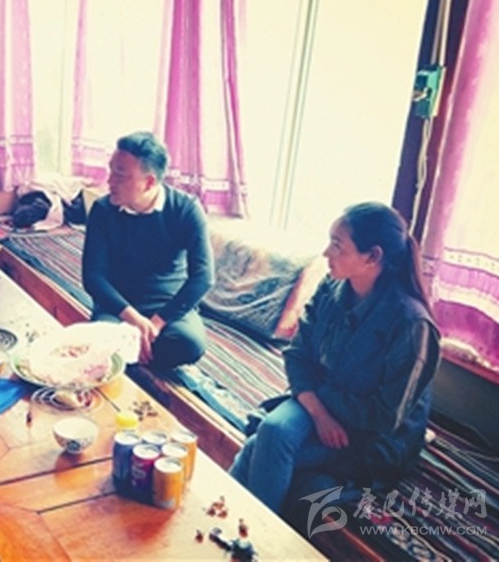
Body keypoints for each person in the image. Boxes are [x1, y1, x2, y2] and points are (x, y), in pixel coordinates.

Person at [230, 202, 441, 516]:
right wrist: (319, 413)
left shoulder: (411, 325)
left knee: (258, 448)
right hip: (318, 403)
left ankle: (246, 533)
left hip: (369, 435)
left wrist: (322, 399)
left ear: (373, 257)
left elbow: (385, 416)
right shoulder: (331, 288)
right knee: (272, 431)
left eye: (337, 245)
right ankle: (229, 527)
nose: (326, 252)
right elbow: (297, 354)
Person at [81, 131, 214, 372]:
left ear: (150, 182)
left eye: (120, 175)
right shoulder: (102, 210)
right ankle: (135, 361)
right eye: (111, 171)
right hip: (118, 305)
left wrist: (156, 323)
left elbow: (203, 278)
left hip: (166, 305)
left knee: (189, 344)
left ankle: (131, 361)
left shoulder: (186, 209)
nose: (110, 181)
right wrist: (134, 320)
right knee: (102, 344)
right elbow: (93, 276)